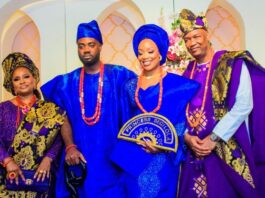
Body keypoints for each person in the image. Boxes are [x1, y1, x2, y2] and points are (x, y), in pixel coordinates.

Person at [41, 20, 135, 197]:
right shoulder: (66, 83)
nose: (86, 50)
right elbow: (61, 116)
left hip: (114, 160)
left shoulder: (120, 75)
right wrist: (69, 146)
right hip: (81, 159)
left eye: (91, 45)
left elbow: (142, 101)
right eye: (81, 45)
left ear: (100, 45)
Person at [177, 9, 265, 198]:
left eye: (196, 36)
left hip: (226, 148)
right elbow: (178, 112)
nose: (192, 43)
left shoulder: (231, 62)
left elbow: (244, 104)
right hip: (194, 154)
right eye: (187, 40)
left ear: (207, 34)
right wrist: (187, 138)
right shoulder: (186, 73)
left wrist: (214, 138)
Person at [111, 24, 199, 198]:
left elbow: (181, 123)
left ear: (161, 53)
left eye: (150, 52)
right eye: (140, 52)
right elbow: (124, 122)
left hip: (163, 159)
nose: (144, 57)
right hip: (134, 157)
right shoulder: (129, 86)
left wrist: (163, 145)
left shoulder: (178, 86)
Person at [0, 52, 68, 197]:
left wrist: (48, 159)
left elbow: (58, 138)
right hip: (7, 177)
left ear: (34, 78)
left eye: (26, 76)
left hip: (39, 177)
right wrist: (7, 161)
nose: (22, 81)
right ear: (12, 85)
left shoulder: (51, 109)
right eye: (16, 79)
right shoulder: (3, 109)